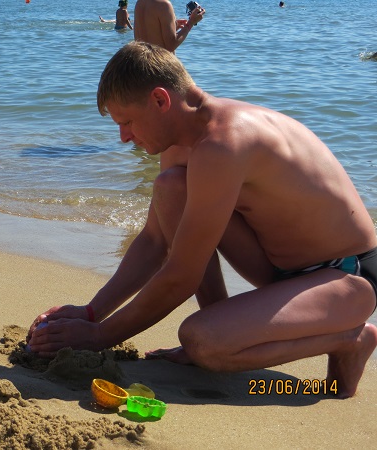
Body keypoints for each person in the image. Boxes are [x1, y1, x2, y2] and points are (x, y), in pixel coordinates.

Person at [28, 42, 377, 399]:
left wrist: (99, 337)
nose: (124, 137)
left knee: (203, 341)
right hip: (279, 270)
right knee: (171, 188)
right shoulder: (180, 142)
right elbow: (154, 240)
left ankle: (349, 338)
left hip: (346, 274)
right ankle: (225, 322)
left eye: (127, 122)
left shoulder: (225, 142)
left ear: (160, 100)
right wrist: (91, 313)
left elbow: (181, 277)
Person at [133, 0, 205, 52]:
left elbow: (148, 34)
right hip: (160, 63)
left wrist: (173, 27)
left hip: (140, 63)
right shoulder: (164, 5)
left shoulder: (139, 3)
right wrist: (191, 22)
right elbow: (171, 45)